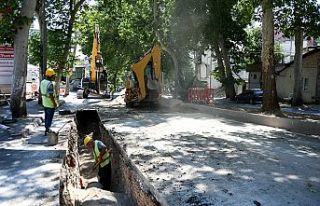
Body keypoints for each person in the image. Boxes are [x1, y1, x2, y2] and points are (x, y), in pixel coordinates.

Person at [40, 68, 58, 136]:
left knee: (46, 116)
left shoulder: (42, 82)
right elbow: (51, 95)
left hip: (44, 102)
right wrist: (54, 103)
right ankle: (47, 129)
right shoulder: (50, 84)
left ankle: (46, 129)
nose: (54, 76)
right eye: (53, 75)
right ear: (50, 76)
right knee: (49, 117)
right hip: (50, 103)